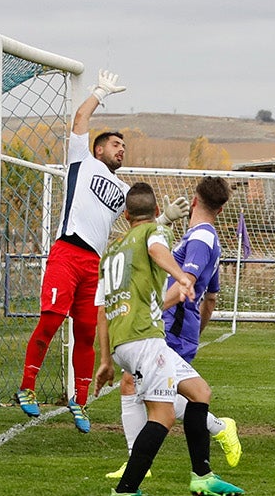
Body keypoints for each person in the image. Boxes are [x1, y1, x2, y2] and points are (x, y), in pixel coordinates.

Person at [14, 71, 187, 431]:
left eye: (123, 147)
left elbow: (143, 223)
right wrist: (99, 92)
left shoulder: (124, 189)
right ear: (98, 149)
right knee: (51, 319)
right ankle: (27, 387)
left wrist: (166, 219)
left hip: (94, 262)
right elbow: (80, 119)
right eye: (114, 145)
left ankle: (79, 401)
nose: (120, 150)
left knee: (88, 331)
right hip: (67, 251)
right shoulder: (82, 161)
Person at [94, 182, 244, 496]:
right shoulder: (153, 235)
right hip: (145, 338)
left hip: (124, 341)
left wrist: (105, 359)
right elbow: (156, 250)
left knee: (199, 392)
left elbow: (102, 309)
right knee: (162, 415)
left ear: (126, 213)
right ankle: (125, 492)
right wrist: (182, 275)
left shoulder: (112, 250)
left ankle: (202, 476)